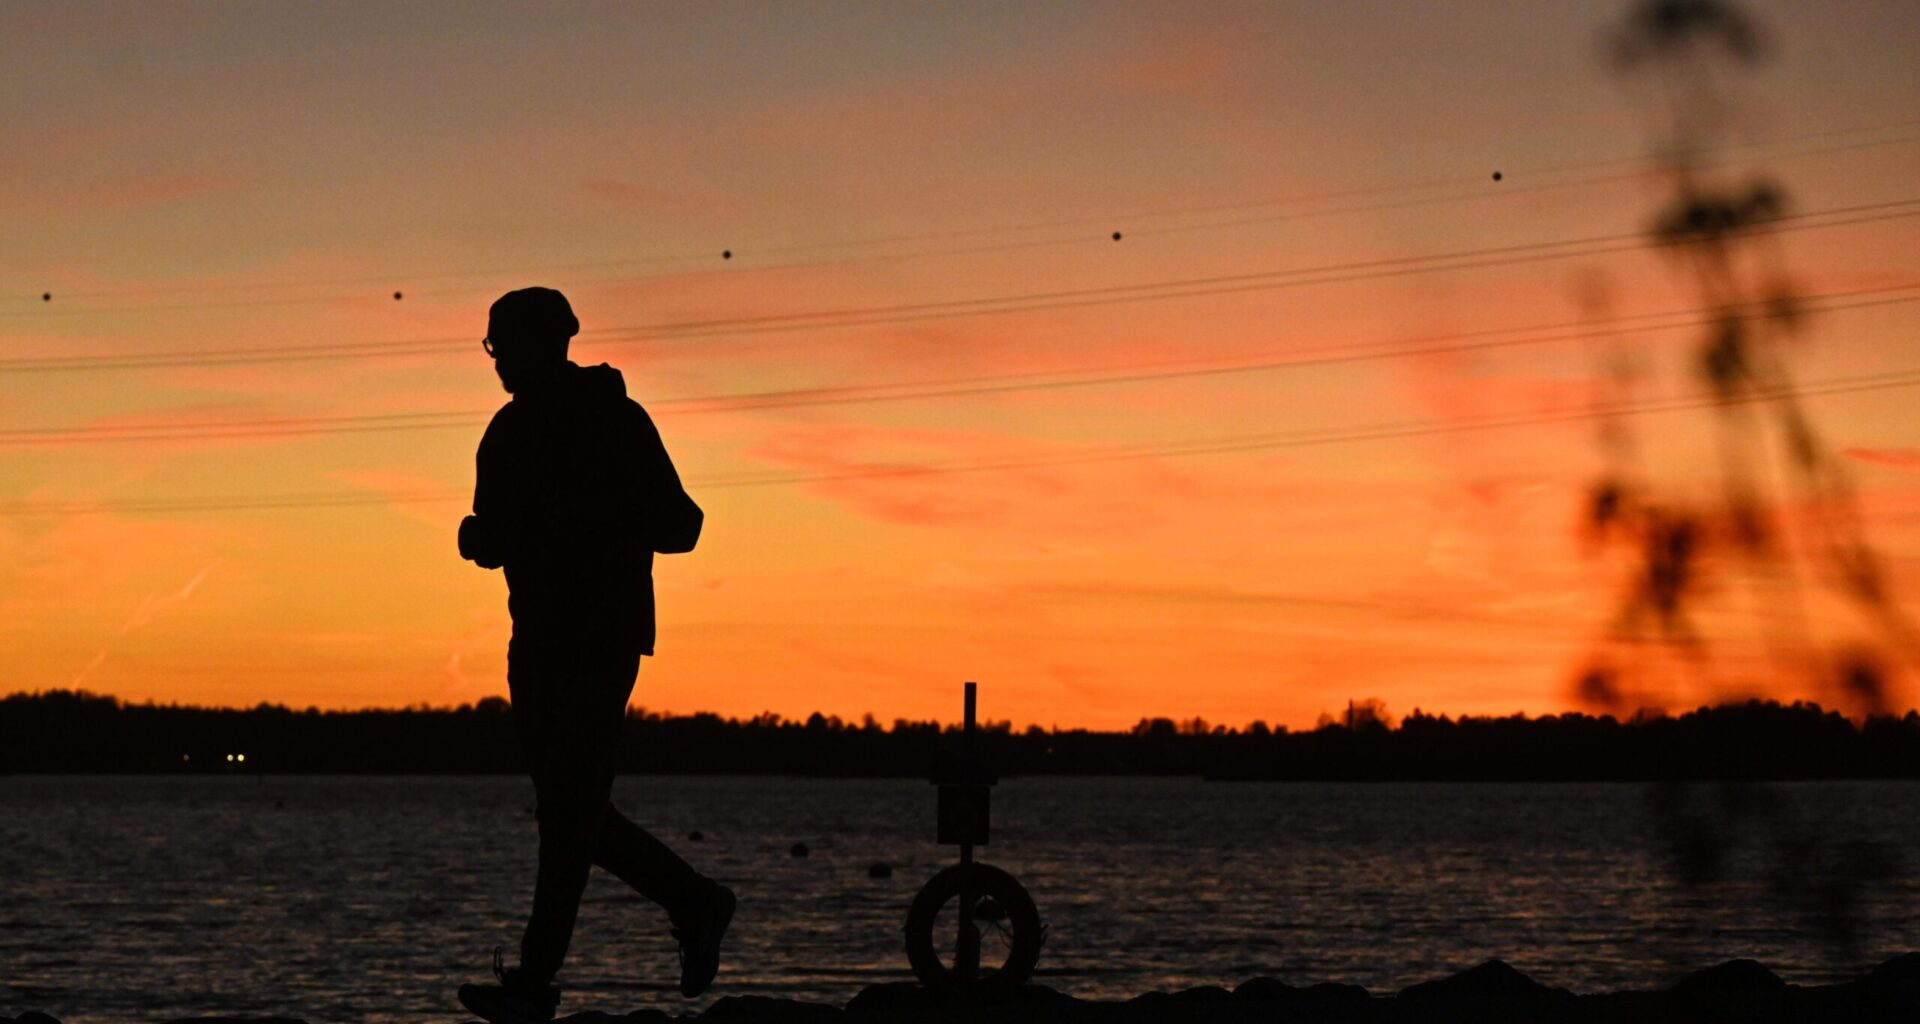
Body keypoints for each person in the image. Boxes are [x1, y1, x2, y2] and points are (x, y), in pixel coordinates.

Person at [455, 287, 734, 1023]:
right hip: (537, 641)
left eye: (505, 346)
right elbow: (499, 533)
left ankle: (533, 986)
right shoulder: (506, 433)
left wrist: (587, 520)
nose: (498, 362)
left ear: (552, 342)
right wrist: (484, 541)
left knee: (569, 815)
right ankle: (695, 902)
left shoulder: (618, 422)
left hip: (601, 638)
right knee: (571, 815)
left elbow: (683, 525)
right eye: (491, 349)